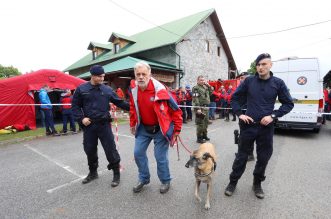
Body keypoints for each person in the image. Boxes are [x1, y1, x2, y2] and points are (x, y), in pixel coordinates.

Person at [224, 53, 294, 199]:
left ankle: (257, 184)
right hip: (248, 126)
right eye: (258, 65)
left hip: (266, 129)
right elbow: (235, 98)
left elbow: (288, 103)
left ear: (270, 65)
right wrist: (240, 114)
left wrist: (273, 116)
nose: (260, 67)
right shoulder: (249, 81)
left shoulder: (278, 83)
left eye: (264, 64)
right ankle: (233, 182)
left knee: (263, 158)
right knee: (241, 157)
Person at [129, 61, 182, 194]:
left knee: (160, 157)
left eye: (144, 74)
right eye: (138, 74)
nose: (141, 77)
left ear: (149, 74)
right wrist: (132, 123)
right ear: (135, 75)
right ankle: (144, 178)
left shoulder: (160, 90)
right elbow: (132, 108)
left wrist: (177, 130)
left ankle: (165, 180)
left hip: (160, 129)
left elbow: (176, 111)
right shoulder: (133, 89)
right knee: (138, 153)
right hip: (143, 128)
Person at [72, 65, 130, 187]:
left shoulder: (107, 89)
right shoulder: (81, 89)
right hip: (89, 126)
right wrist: (81, 118)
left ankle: (116, 174)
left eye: (103, 76)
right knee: (89, 150)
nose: (102, 78)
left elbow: (120, 102)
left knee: (110, 150)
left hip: (104, 125)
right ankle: (93, 173)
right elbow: (75, 106)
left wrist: (135, 107)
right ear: (92, 76)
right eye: (100, 76)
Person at [192, 75, 212, 143]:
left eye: (203, 80)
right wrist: (198, 108)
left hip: (206, 107)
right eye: (201, 80)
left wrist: (209, 86)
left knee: (206, 123)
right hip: (200, 107)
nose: (202, 81)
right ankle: (199, 138)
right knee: (200, 123)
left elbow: (211, 93)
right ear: (197, 81)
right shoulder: (196, 88)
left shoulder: (205, 87)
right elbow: (195, 98)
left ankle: (204, 135)